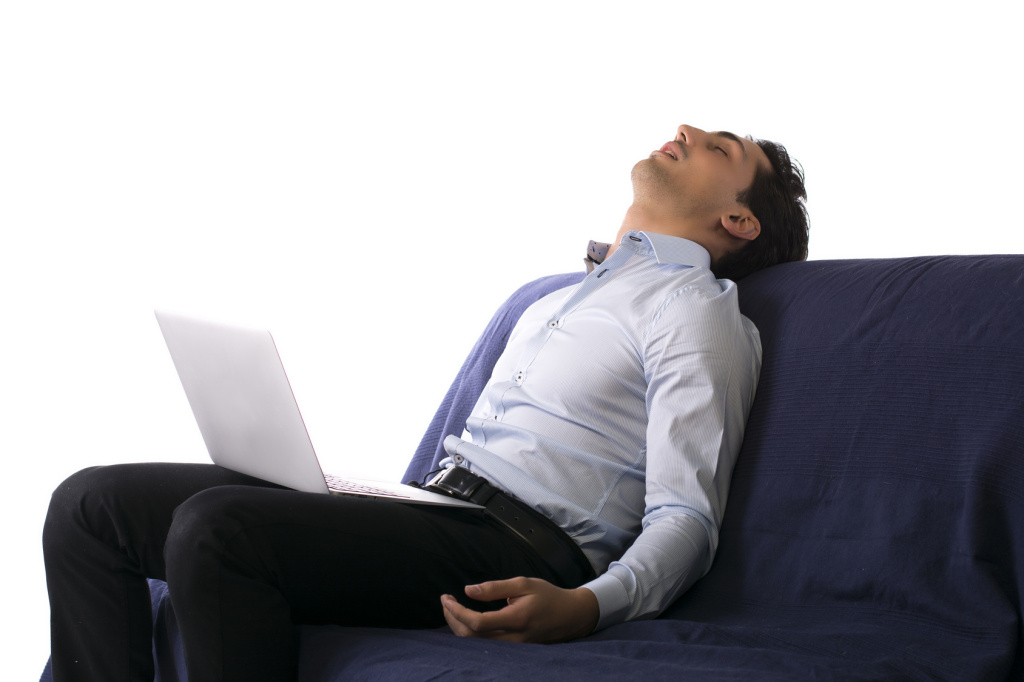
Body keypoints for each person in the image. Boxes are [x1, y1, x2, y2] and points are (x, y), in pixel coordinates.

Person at [43, 124, 809, 681]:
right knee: (89, 507)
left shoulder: (698, 311)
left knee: (218, 532)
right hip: (435, 509)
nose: (686, 129)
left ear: (737, 221)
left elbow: (687, 519)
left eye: (720, 146)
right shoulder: (556, 299)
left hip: (520, 546)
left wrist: (587, 607)